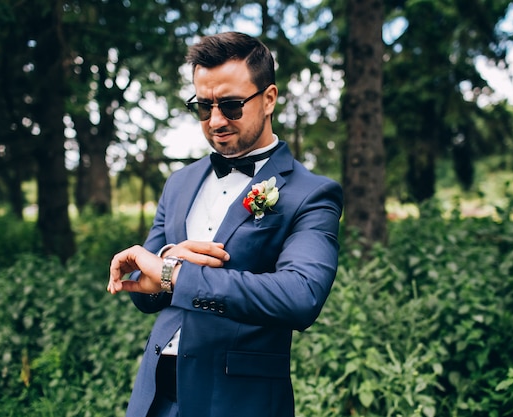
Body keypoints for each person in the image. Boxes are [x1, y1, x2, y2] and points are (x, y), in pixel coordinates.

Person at [107, 31, 343, 417]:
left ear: (268, 99)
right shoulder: (179, 182)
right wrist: (166, 259)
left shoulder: (311, 193)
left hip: (237, 401)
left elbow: (300, 296)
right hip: (154, 396)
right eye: (204, 106)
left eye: (231, 106)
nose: (215, 121)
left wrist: (175, 273)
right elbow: (143, 291)